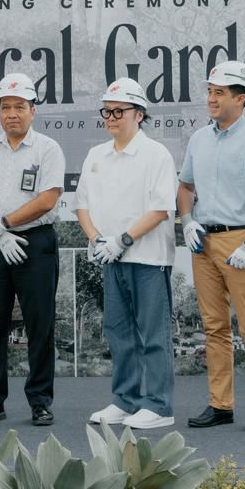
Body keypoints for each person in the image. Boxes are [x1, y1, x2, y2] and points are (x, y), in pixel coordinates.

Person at [178, 60, 245, 432]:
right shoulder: (199, 138)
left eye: (219, 93)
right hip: (203, 242)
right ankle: (220, 404)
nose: (211, 98)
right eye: (209, 91)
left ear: (241, 98)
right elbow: (186, 187)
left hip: (241, 239)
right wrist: (187, 221)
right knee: (214, 327)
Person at [0, 73, 66, 427]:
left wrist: (4, 223)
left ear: (32, 110)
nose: (11, 114)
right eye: (5, 107)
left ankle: (40, 401)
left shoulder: (47, 149)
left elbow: (48, 198)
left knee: (40, 325)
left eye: (19, 107)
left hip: (36, 243)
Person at [76, 78, 179, 429]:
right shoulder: (95, 155)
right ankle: (125, 400)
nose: (111, 117)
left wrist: (122, 239)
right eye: (106, 111)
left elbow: (161, 208)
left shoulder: (157, 154)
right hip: (110, 257)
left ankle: (159, 406)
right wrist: (96, 240)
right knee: (118, 332)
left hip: (148, 258)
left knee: (152, 334)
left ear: (139, 114)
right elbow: (83, 206)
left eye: (119, 111)